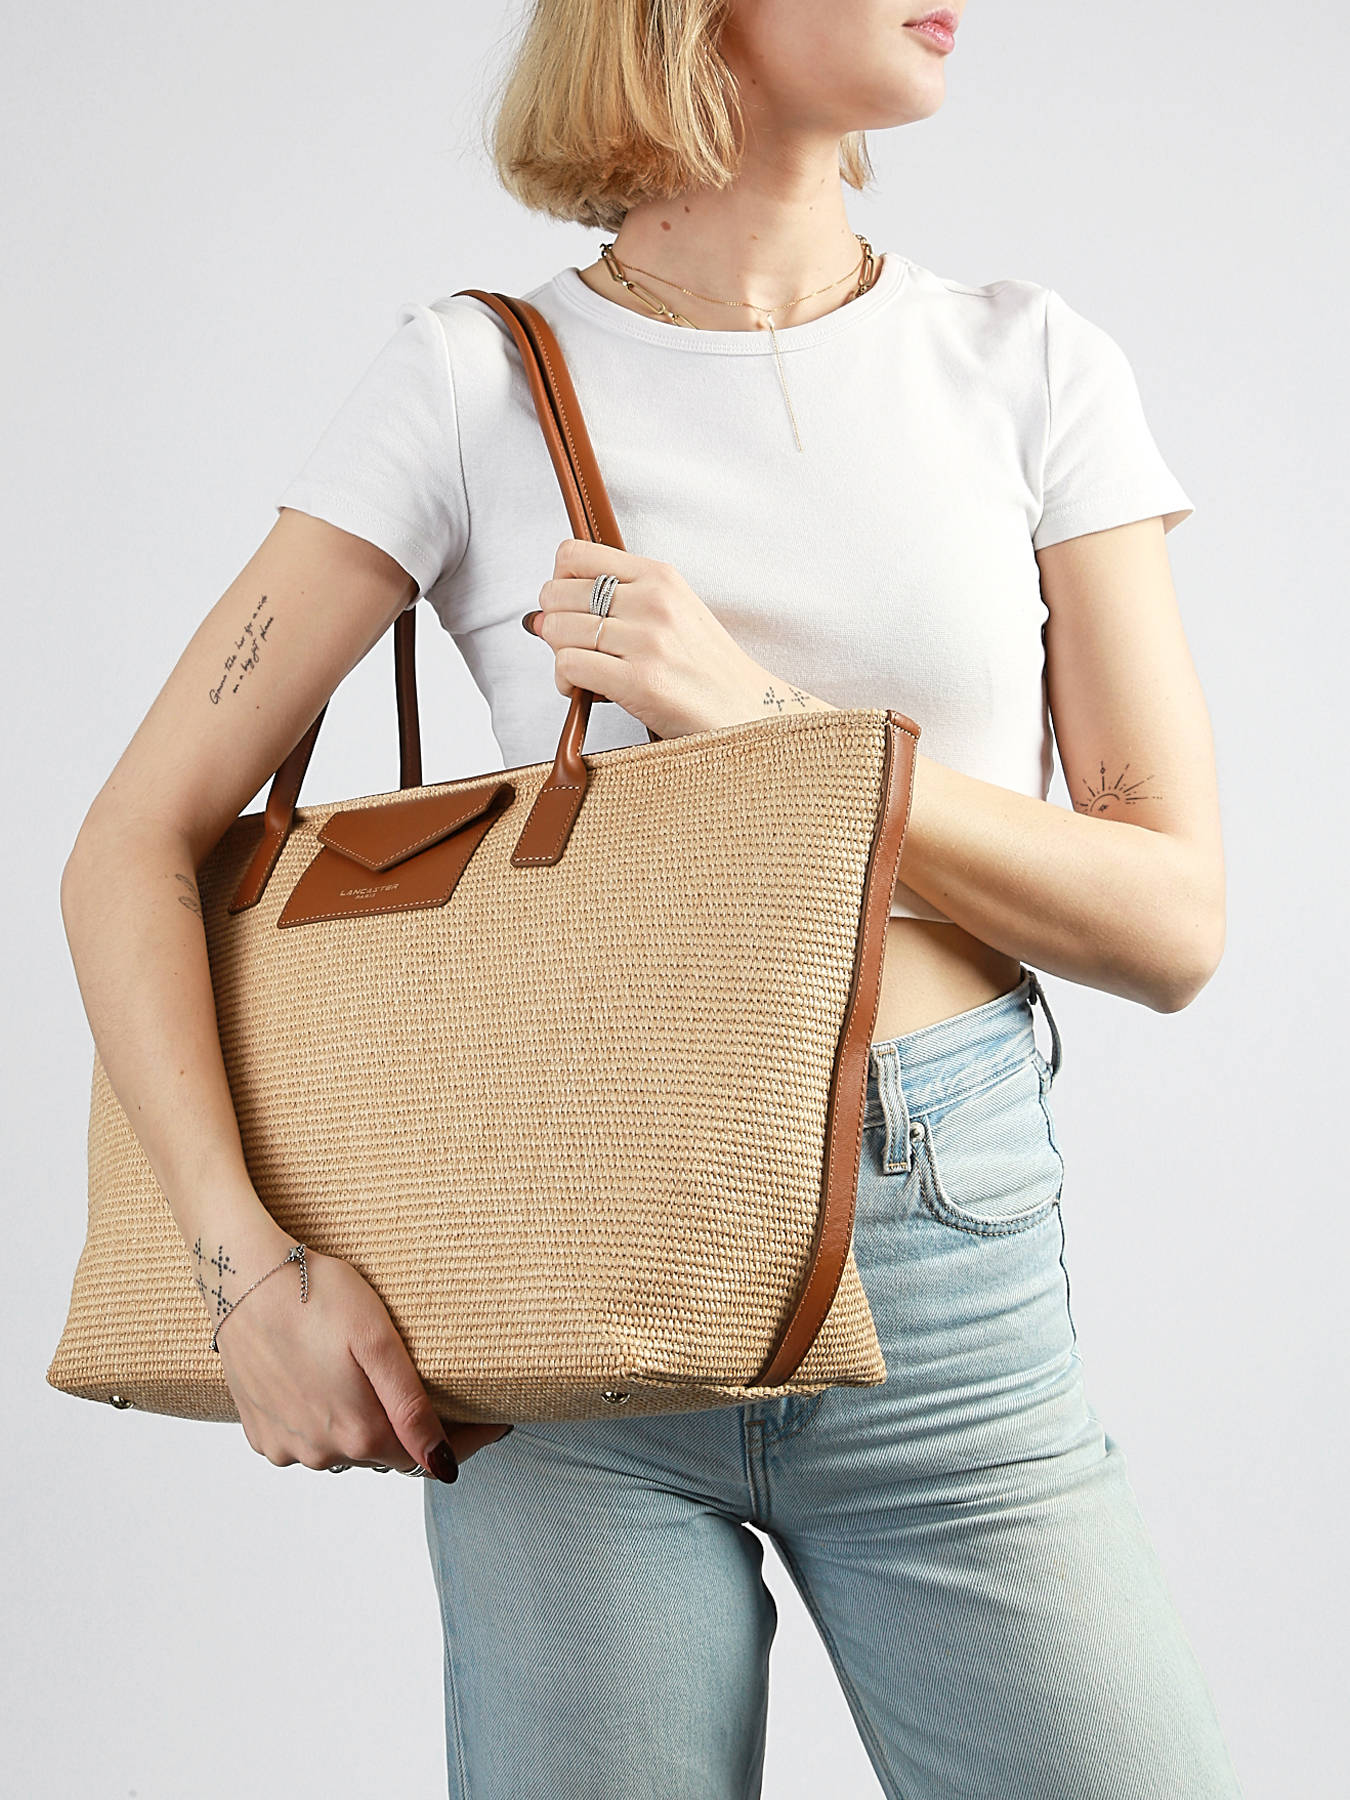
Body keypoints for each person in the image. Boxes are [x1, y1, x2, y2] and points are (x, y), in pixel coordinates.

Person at [58, 1, 1245, 1794]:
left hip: (938, 1249)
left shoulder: (1026, 364)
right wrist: (244, 1274)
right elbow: (130, 844)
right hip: (549, 1273)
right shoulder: (472, 377)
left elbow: (1168, 924)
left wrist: (763, 727)